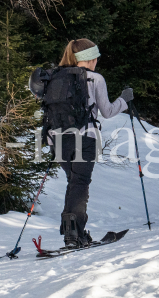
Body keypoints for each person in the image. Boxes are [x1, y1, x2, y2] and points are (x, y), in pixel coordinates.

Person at [49, 39, 133, 249]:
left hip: (56, 138)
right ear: (90, 58)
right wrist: (124, 100)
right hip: (84, 138)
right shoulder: (95, 79)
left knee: (74, 183)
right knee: (80, 184)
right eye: (96, 58)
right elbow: (108, 111)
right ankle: (73, 235)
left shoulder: (54, 77)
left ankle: (75, 233)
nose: (97, 62)